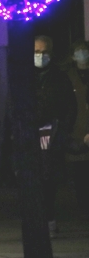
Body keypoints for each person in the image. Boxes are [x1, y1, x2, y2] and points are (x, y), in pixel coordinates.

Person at [34, 35, 77, 237]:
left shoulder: (58, 78)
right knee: (35, 181)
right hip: (33, 135)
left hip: (52, 134)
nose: (40, 56)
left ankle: (49, 221)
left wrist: (63, 129)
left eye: (43, 52)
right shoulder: (27, 77)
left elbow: (69, 106)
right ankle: (40, 221)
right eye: (36, 52)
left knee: (48, 180)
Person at [65, 40, 89, 215]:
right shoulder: (68, 76)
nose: (82, 54)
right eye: (79, 51)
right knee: (80, 169)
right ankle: (83, 204)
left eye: (84, 50)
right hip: (77, 125)